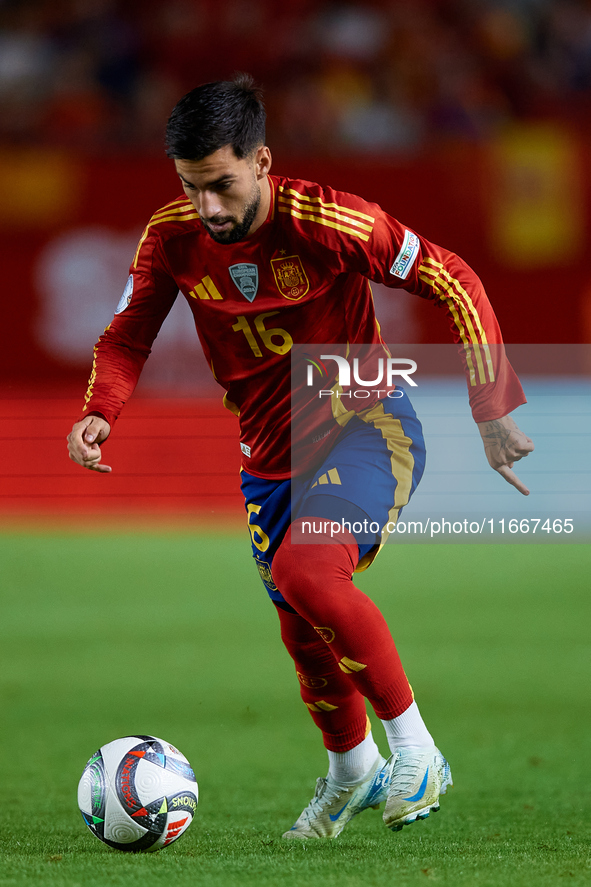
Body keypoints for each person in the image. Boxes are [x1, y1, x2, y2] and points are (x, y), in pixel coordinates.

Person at [67, 75, 534, 840]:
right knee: (298, 621)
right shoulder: (172, 234)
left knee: (306, 572)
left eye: (221, 184)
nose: (208, 207)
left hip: (365, 423)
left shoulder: (328, 219)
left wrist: (488, 408)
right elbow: (126, 334)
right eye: (191, 188)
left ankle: (417, 749)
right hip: (267, 458)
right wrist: (99, 409)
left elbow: (454, 277)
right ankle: (352, 770)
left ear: (261, 160)